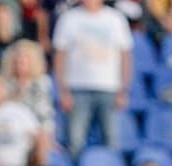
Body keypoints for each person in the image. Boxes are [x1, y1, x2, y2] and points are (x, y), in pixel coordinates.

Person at [53, 0, 134, 155]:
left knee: (111, 139)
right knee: (75, 140)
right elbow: (60, 56)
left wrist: (123, 90)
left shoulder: (115, 18)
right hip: (77, 87)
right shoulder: (69, 18)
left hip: (109, 87)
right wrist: (63, 91)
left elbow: (125, 56)